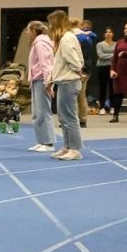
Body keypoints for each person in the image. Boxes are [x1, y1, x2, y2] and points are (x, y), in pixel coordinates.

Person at [47, 11, 84, 160]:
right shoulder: (64, 38)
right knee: (63, 117)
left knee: (69, 117)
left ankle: (75, 149)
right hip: (64, 82)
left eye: (50, 23)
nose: (49, 27)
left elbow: (74, 61)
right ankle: (67, 146)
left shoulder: (67, 39)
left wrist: (78, 71)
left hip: (69, 82)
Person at [25, 21, 56, 153]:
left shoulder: (40, 44)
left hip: (42, 80)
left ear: (33, 31)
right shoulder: (37, 43)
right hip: (36, 80)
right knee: (37, 113)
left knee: (43, 112)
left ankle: (49, 143)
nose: (26, 33)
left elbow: (46, 63)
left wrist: (48, 83)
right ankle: (41, 140)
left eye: (28, 30)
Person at [74, 19, 97, 126]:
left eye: (86, 26)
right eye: (83, 25)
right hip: (81, 68)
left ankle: (82, 119)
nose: (84, 27)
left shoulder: (86, 37)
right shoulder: (85, 37)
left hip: (83, 69)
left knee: (80, 95)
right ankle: (78, 119)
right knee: (78, 95)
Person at [94, 28, 116, 113]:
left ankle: (112, 107)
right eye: (106, 32)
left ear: (112, 34)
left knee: (112, 88)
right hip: (102, 67)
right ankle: (102, 108)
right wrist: (113, 55)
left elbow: (117, 56)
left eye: (110, 32)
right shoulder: (99, 44)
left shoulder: (116, 44)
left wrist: (108, 55)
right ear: (104, 34)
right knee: (102, 88)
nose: (108, 33)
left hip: (112, 68)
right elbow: (101, 56)